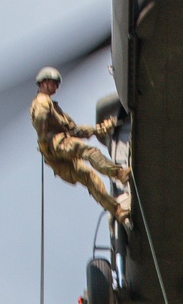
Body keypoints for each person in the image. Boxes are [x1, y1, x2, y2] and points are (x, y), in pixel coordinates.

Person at [29, 66, 130, 222]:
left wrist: (100, 129)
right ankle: (118, 174)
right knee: (87, 151)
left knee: (88, 177)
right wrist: (43, 142)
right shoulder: (42, 101)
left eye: (57, 84)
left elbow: (75, 130)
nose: (55, 87)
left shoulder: (54, 108)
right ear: (42, 84)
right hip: (55, 143)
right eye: (52, 83)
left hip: (54, 157)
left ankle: (117, 210)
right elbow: (41, 118)